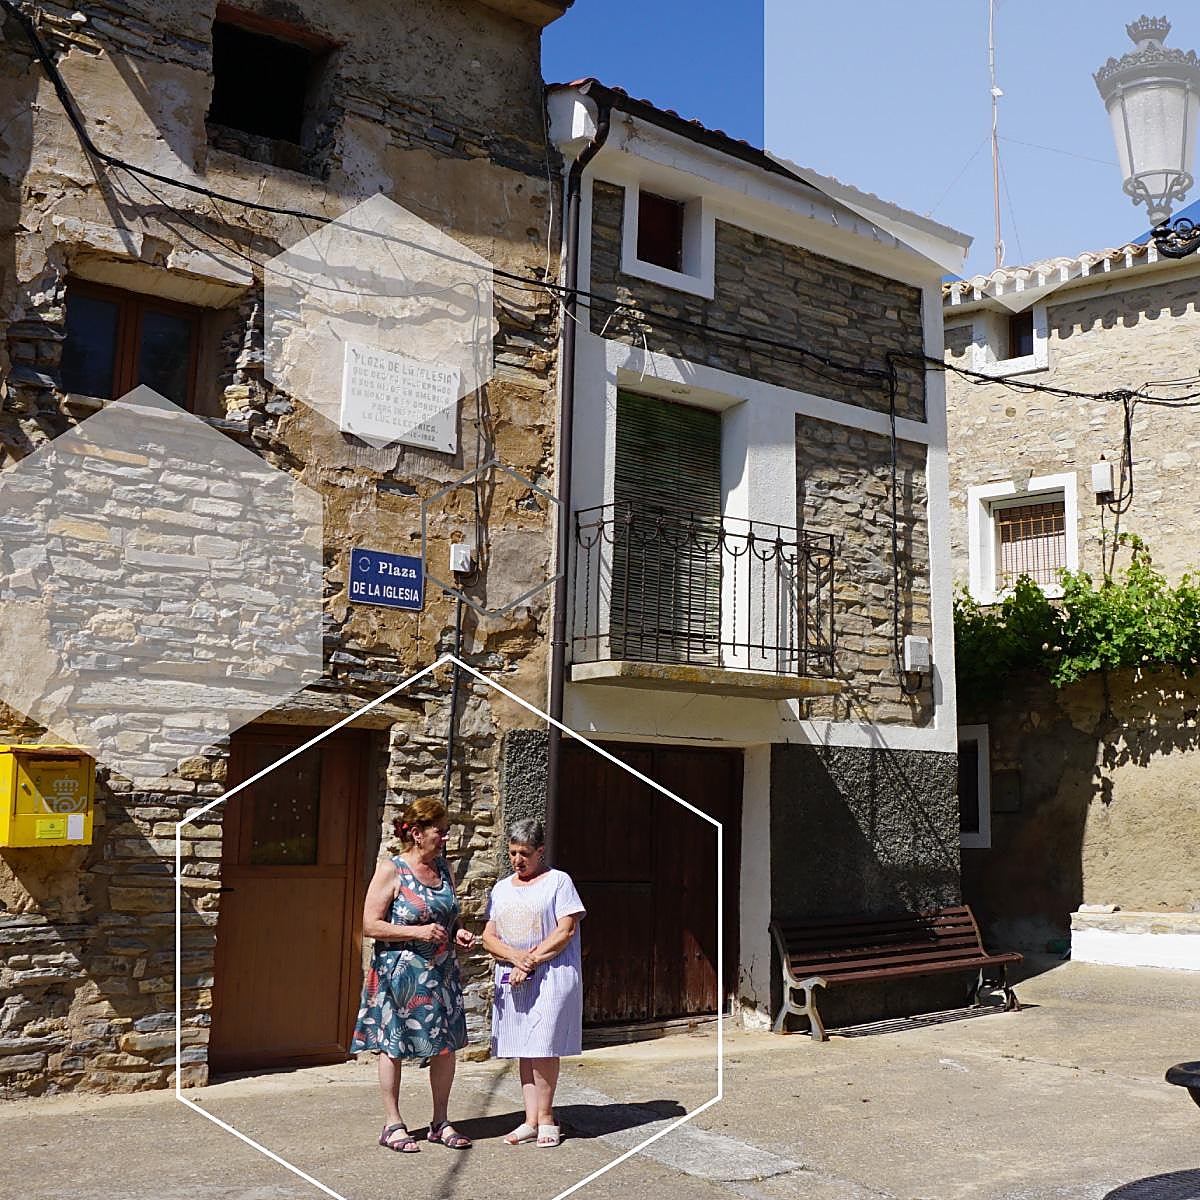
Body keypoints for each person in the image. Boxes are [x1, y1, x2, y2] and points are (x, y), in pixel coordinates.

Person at [351, 797, 476, 1153]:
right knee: (393, 1047)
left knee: (446, 1047)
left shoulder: (445, 869)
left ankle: (441, 1121)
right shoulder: (392, 870)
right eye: (441, 832)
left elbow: (449, 917)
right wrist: (417, 933)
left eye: (447, 832)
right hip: (400, 975)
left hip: (442, 973)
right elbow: (369, 925)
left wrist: (458, 933)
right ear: (417, 833)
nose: (446, 838)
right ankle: (393, 1124)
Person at [481, 817, 586, 1148]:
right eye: (512, 853)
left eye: (524, 853)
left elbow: (565, 929)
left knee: (543, 1046)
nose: (517, 860)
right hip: (514, 977)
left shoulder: (558, 882)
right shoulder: (501, 888)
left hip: (550, 976)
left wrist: (532, 960)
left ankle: (546, 1117)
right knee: (523, 1049)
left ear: (540, 851)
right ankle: (529, 1120)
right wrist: (515, 958)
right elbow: (489, 936)